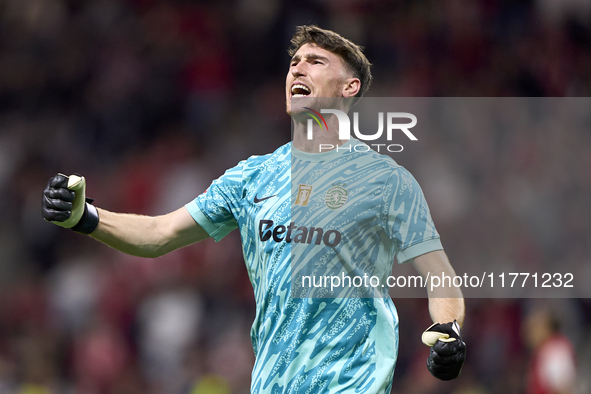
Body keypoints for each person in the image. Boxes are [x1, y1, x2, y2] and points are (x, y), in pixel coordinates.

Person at [42, 25, 466, 393]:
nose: (297, 69)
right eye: (294, 62)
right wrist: (86, 218)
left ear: (349, 87)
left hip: (352, 382)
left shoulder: (385, 181)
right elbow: (159, 235)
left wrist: (447, 330)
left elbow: (440, 277)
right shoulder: (251, 178)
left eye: (316, 62)